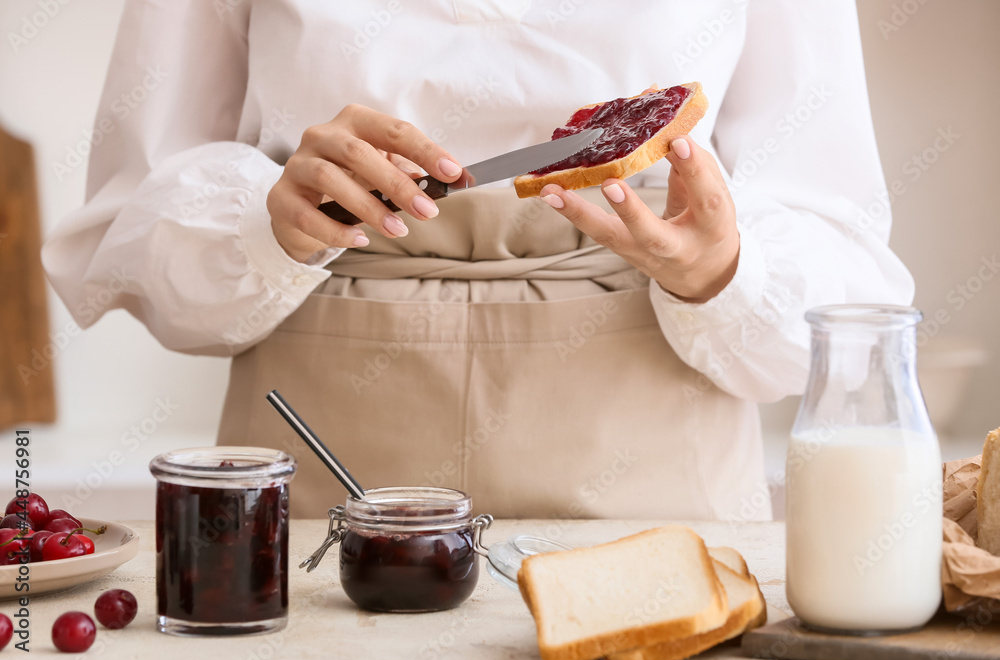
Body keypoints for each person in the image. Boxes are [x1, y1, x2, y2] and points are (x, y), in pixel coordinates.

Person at [42, 1, 912, 521]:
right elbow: (126, 223)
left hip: (654, 489)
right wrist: (268, 224)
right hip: (316, 499)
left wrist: (726, 273)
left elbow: (844, 266)